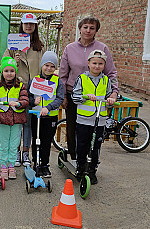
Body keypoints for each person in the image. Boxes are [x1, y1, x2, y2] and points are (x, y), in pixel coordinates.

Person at [59, 16, 119, 165]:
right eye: (85, 27)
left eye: (92, 28)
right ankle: (74, 157)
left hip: (97, 98)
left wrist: (114, 92)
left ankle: (91, 160)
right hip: (75, 95)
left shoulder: (102, 48)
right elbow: (62, 74)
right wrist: (63, 96)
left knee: (94, 130)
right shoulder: (70, 48)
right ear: (79, 29)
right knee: (74, 128)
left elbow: (111, 73)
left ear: (96, 31)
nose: (88, 30)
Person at [3, 13, 45, 167]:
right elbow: (4, 65)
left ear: (35, 26)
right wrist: (13, 62)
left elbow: (45, 68)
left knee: (27, 122)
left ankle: (26, 152)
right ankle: (15, 151)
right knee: (16, 122)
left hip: (34, 89)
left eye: (32, 24)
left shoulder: (40, 46)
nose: (29, 26)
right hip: (17, 88)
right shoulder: (12, 45)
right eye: (26, 23)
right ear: (21, 25)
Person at [72, 50, 116, 184]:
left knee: (96, 146)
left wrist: (110, 101)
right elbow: (75, 97)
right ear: (89, 63)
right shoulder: (82, 78)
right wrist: (85, 98)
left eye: (100, 63)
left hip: (100, 120)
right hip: (84, 120)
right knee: (82, 145)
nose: (97, 66)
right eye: (94, 63)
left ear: (104, 65)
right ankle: (80, 167)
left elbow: (109, 96)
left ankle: (92, 170)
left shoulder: (106, 80)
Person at [0, 57, 29, 180]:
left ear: (15, 72)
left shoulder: (20, 85)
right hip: (3, 119)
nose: (9, 74)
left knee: (14, 144)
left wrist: (19, 103)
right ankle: (4, 166)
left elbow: (25, 100)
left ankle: (11, 166)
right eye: (6, 71)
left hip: (16, 120)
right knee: (4, 144)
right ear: (2, 72)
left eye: (12, 71)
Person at [28, 51, 64, 178]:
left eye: (52, 66)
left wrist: (48, 107)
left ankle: (44, 165)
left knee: (46, 141)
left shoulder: (57, 81)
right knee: (36, 140)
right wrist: (33, 101)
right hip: (36, 116)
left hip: (50, 117)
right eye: (46, 65)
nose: (49, 68)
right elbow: (28, 97)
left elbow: (59, 98)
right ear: (42, 65)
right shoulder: (34, 80)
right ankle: (35, 163)